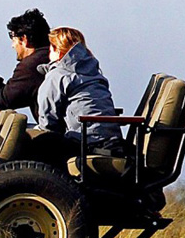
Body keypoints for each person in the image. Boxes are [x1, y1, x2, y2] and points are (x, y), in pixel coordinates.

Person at [30, 27, 124, 167]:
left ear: (58, 50)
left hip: (85, 141)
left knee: (34, 142)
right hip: (111, 141)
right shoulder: (94, 72)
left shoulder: (58, 75)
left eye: (50, 49)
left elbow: (48, 121)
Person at [0, 8, 51, 121]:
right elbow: (6, 93)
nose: (13, 45)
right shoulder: (52, 57)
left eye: (13, 38)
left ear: (24, 39)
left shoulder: (32, 65)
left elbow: (1, 101)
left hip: (59, 135)